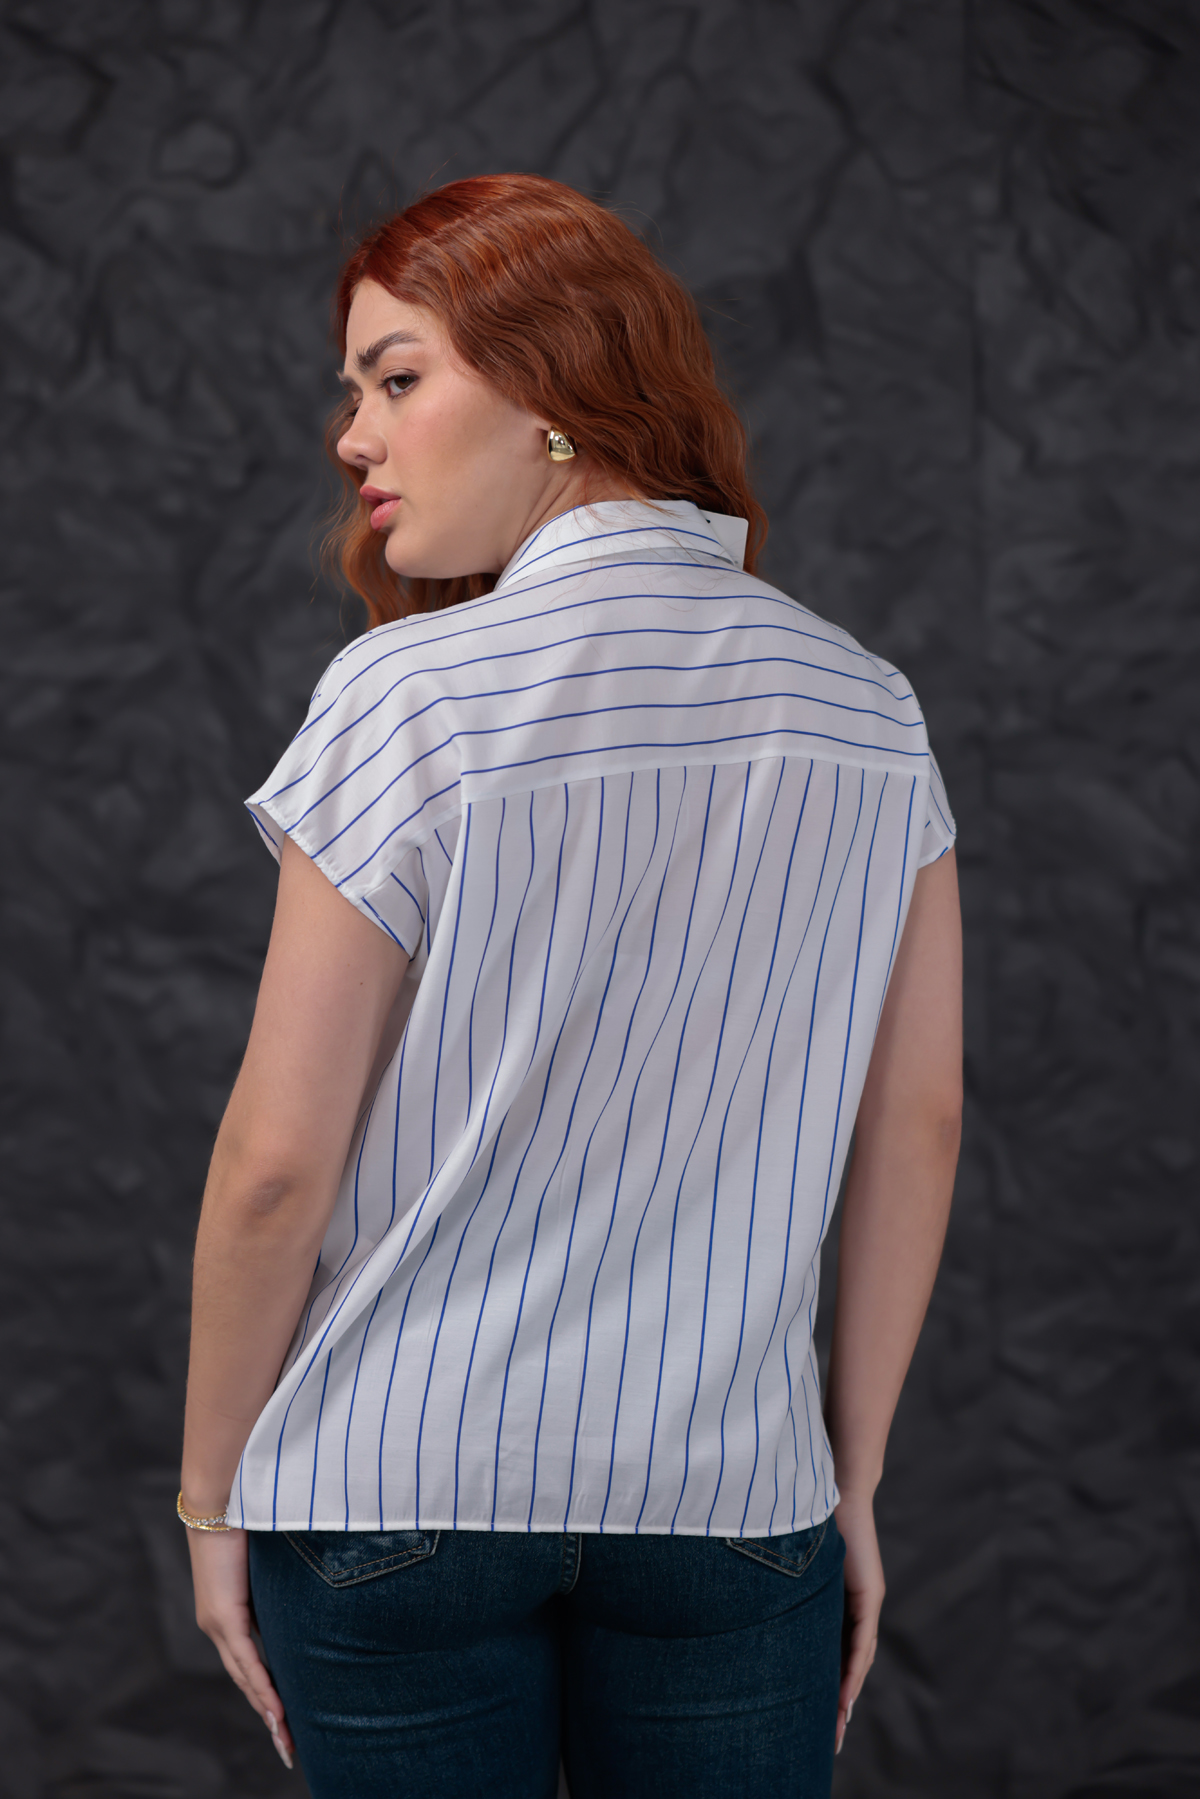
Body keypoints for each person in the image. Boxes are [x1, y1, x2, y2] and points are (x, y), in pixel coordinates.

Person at [180, 173, 962, 1799]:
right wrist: (853, 1481)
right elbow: (921, 1124)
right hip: (733, 1501)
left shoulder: (408, 694)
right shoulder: (866, 705)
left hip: (395, 1489)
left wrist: (209, 1499)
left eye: (396, 376)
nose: (353, 436)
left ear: (551, 383)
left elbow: (272, 1167)